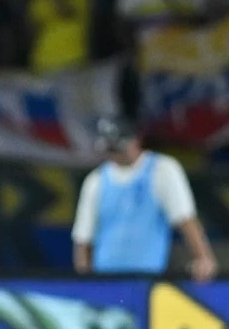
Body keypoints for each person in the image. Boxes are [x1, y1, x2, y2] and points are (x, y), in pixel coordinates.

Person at [72, 116, 217, 281]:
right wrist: (85, 282)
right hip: (106, 281)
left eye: (118, 147)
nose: (115, 154)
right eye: (110, 149)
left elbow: (185, 218)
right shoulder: (95, 180)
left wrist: (203, 258)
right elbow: (83, 238)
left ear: (136, 140)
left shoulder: (162, 170)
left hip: (148, 280)